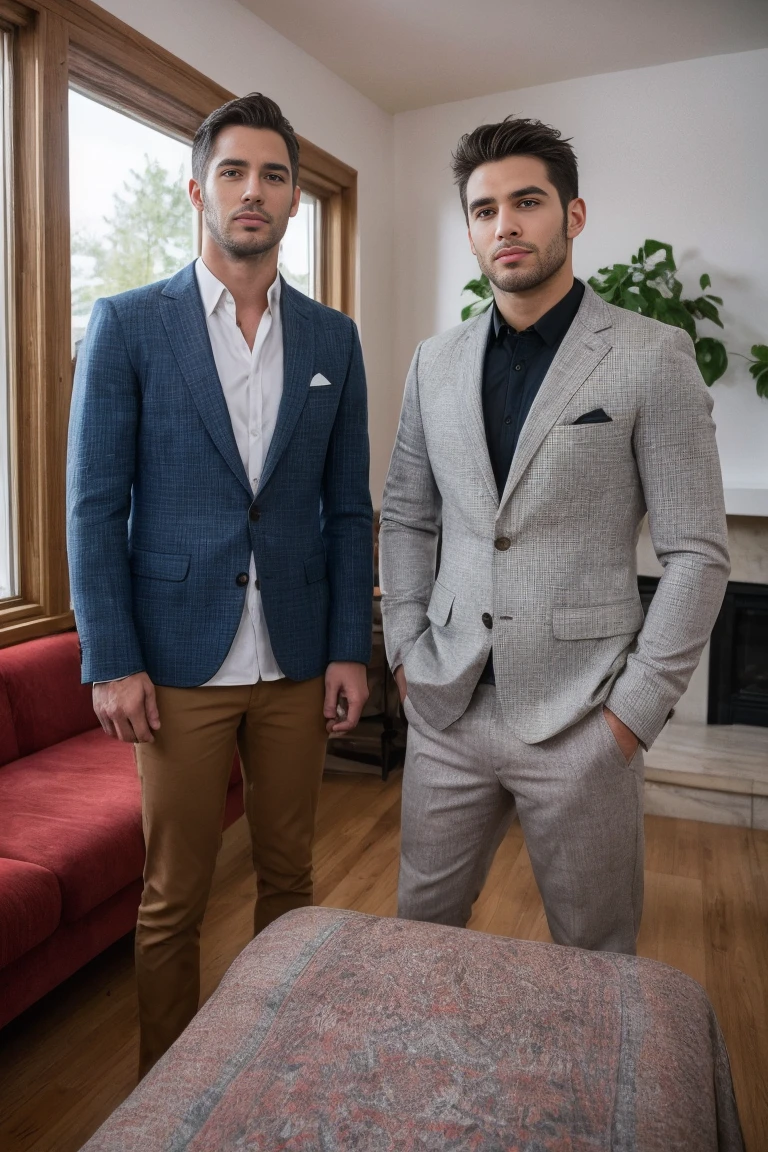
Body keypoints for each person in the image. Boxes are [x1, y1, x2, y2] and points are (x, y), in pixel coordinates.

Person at [67, 92, 372, 1076]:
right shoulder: (126, 324)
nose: (254, 191)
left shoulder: (333, 340)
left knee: (290, 879)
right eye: (234, 173)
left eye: (273, 176)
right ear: (198, 190)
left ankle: (277, 1072)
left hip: (291, 658)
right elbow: (92, 505)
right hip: (175, 662)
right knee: (172, 897)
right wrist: (110, 660)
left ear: (293, 201)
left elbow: (348, 508)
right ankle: (168, 1094)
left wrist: (344, 648)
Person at [379, 116, 729, 954]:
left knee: (596, 956)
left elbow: (698, 553)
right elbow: (405, 513)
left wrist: (630, 718)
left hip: (584, 717)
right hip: (447, 703)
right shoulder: (435, 362)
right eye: (484, 209)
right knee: (418, 942)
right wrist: (403, 650)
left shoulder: (653, 354)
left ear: (572, 215)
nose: (506, 224)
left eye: (527, 201)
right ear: (468, 229)